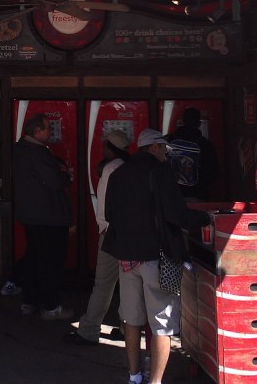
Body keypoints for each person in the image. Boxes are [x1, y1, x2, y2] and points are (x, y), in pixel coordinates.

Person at [102, 128, 211, 384]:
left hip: (126, 258)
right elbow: (177, 215)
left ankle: (134, 376)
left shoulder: (118, 174)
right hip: (157, 257)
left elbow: (109, 214)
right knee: (162, 323)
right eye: (163, 149)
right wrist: (205, 217)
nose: (166, 154)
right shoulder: (160, 172)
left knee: (131, 319)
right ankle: (155, 381)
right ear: (153, 147)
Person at [64, 129, 131, 346]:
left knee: (103, 283)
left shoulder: (109, 169)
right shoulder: (132, 166)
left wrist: (103, 229)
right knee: (129, 284)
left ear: (111, 148)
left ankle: (89, 330)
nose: (101, 148)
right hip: (131, 234)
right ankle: (127, 329)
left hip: (111, 234)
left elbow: (103, 207)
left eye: (104, 145)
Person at [12, 113, 74, 321]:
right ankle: (51, 307)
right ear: (38, 131)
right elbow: (55, 182)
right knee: (50, 263)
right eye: (48, 128)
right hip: (48, 216)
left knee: (34, 259)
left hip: (30, 215)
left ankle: (30, 302)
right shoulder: (38, 152)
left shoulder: (19, 150)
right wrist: (66, 174)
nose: (51, 131)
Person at [168, 107, 220, 200]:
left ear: (182, 121)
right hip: (198, 193)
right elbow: (213, 173)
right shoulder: (205, 144)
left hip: (172, 193)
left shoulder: (168, 141)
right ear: (199, 123)